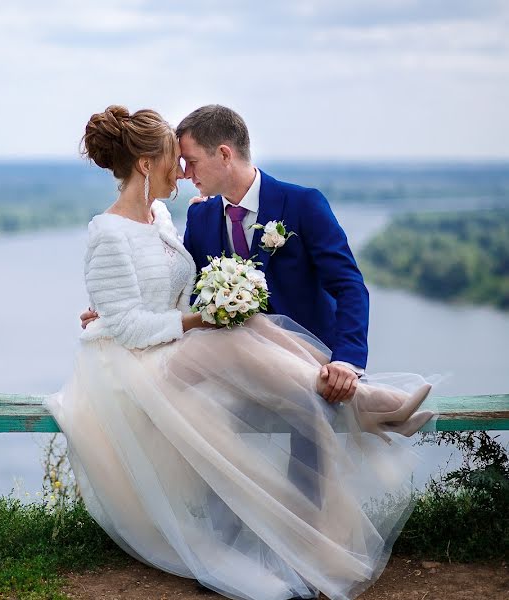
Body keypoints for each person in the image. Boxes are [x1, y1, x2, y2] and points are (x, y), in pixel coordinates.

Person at [46, 105, 435, 600]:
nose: (183, 175)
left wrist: (345, 359)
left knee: (300, 400)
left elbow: (349, 287)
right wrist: (110, 311)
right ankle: (234, 544)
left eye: (189, 162)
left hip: (306, 365)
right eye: (175, 162)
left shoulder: (301, 205)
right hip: (217, 367)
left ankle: (310, 543)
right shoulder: (199, 218)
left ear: (223, 154)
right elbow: (186, 299)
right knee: (231, 361)